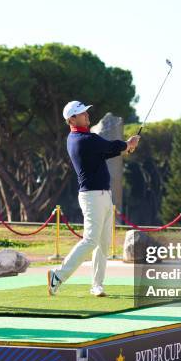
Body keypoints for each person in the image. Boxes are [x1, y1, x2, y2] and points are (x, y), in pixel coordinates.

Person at [48, 101, 140, 297]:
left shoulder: (86, 138)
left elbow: (105, 151)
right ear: (72, 119)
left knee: (103, 243)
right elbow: (108, 146)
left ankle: (97, 285)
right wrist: (127, 145)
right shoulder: (80, 139)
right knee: (90, 240)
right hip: (91, 197)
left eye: (86, 112)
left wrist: (125, 147)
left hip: (104, 196)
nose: (87, 115)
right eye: (82, 113)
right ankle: (58, 275)